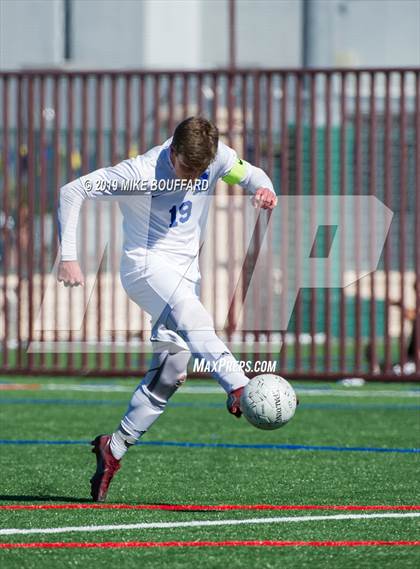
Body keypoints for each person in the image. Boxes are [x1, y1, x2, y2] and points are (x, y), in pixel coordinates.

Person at [57, 116, 277, 502]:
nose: (192, 179)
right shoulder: (140, 172)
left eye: (200, 172)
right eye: (186, 169)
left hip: (185, 275)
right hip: (144, 267)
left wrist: (265, 190)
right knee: (194, 317)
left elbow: (250, 174)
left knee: (173, 370)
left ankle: (114, 448)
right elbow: (71, 191)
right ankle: (239, 386)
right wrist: (69, 258)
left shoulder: (217, 158)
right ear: (172, 152)